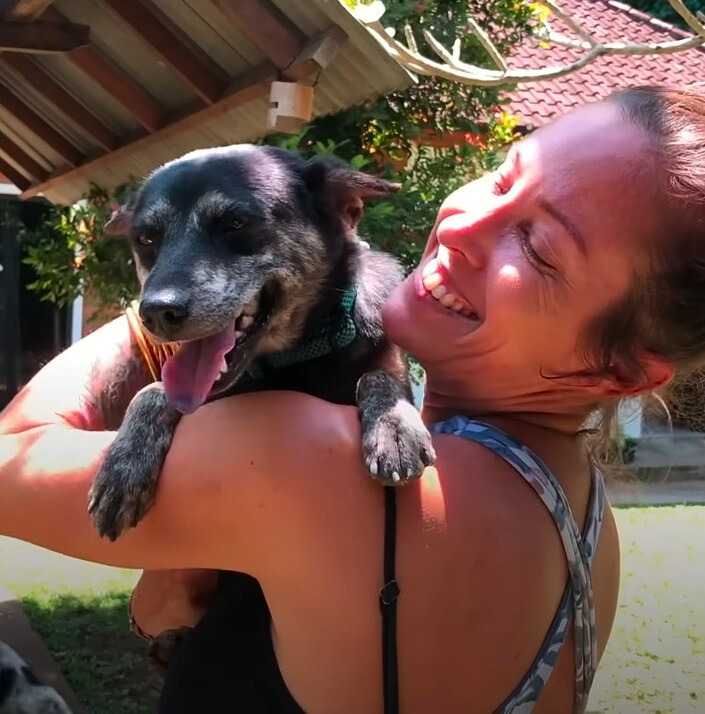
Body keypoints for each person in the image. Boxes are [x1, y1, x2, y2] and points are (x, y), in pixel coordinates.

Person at [1, 83, 704, 713]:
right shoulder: (584, 519)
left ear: (621, 374)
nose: (460, 226)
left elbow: (13, 460)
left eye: (541, 246)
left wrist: (163, 315)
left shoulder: (300, 456)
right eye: (501, 176)